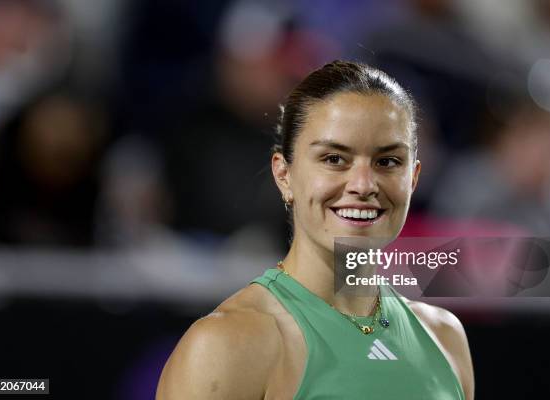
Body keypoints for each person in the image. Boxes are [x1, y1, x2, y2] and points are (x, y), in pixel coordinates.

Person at [156, 60, 474, 399]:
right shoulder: (226, 345)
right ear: (284, 175)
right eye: (334, 159)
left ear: (413, 178)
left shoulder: (445, 337)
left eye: (387, 161)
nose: (364, 184)